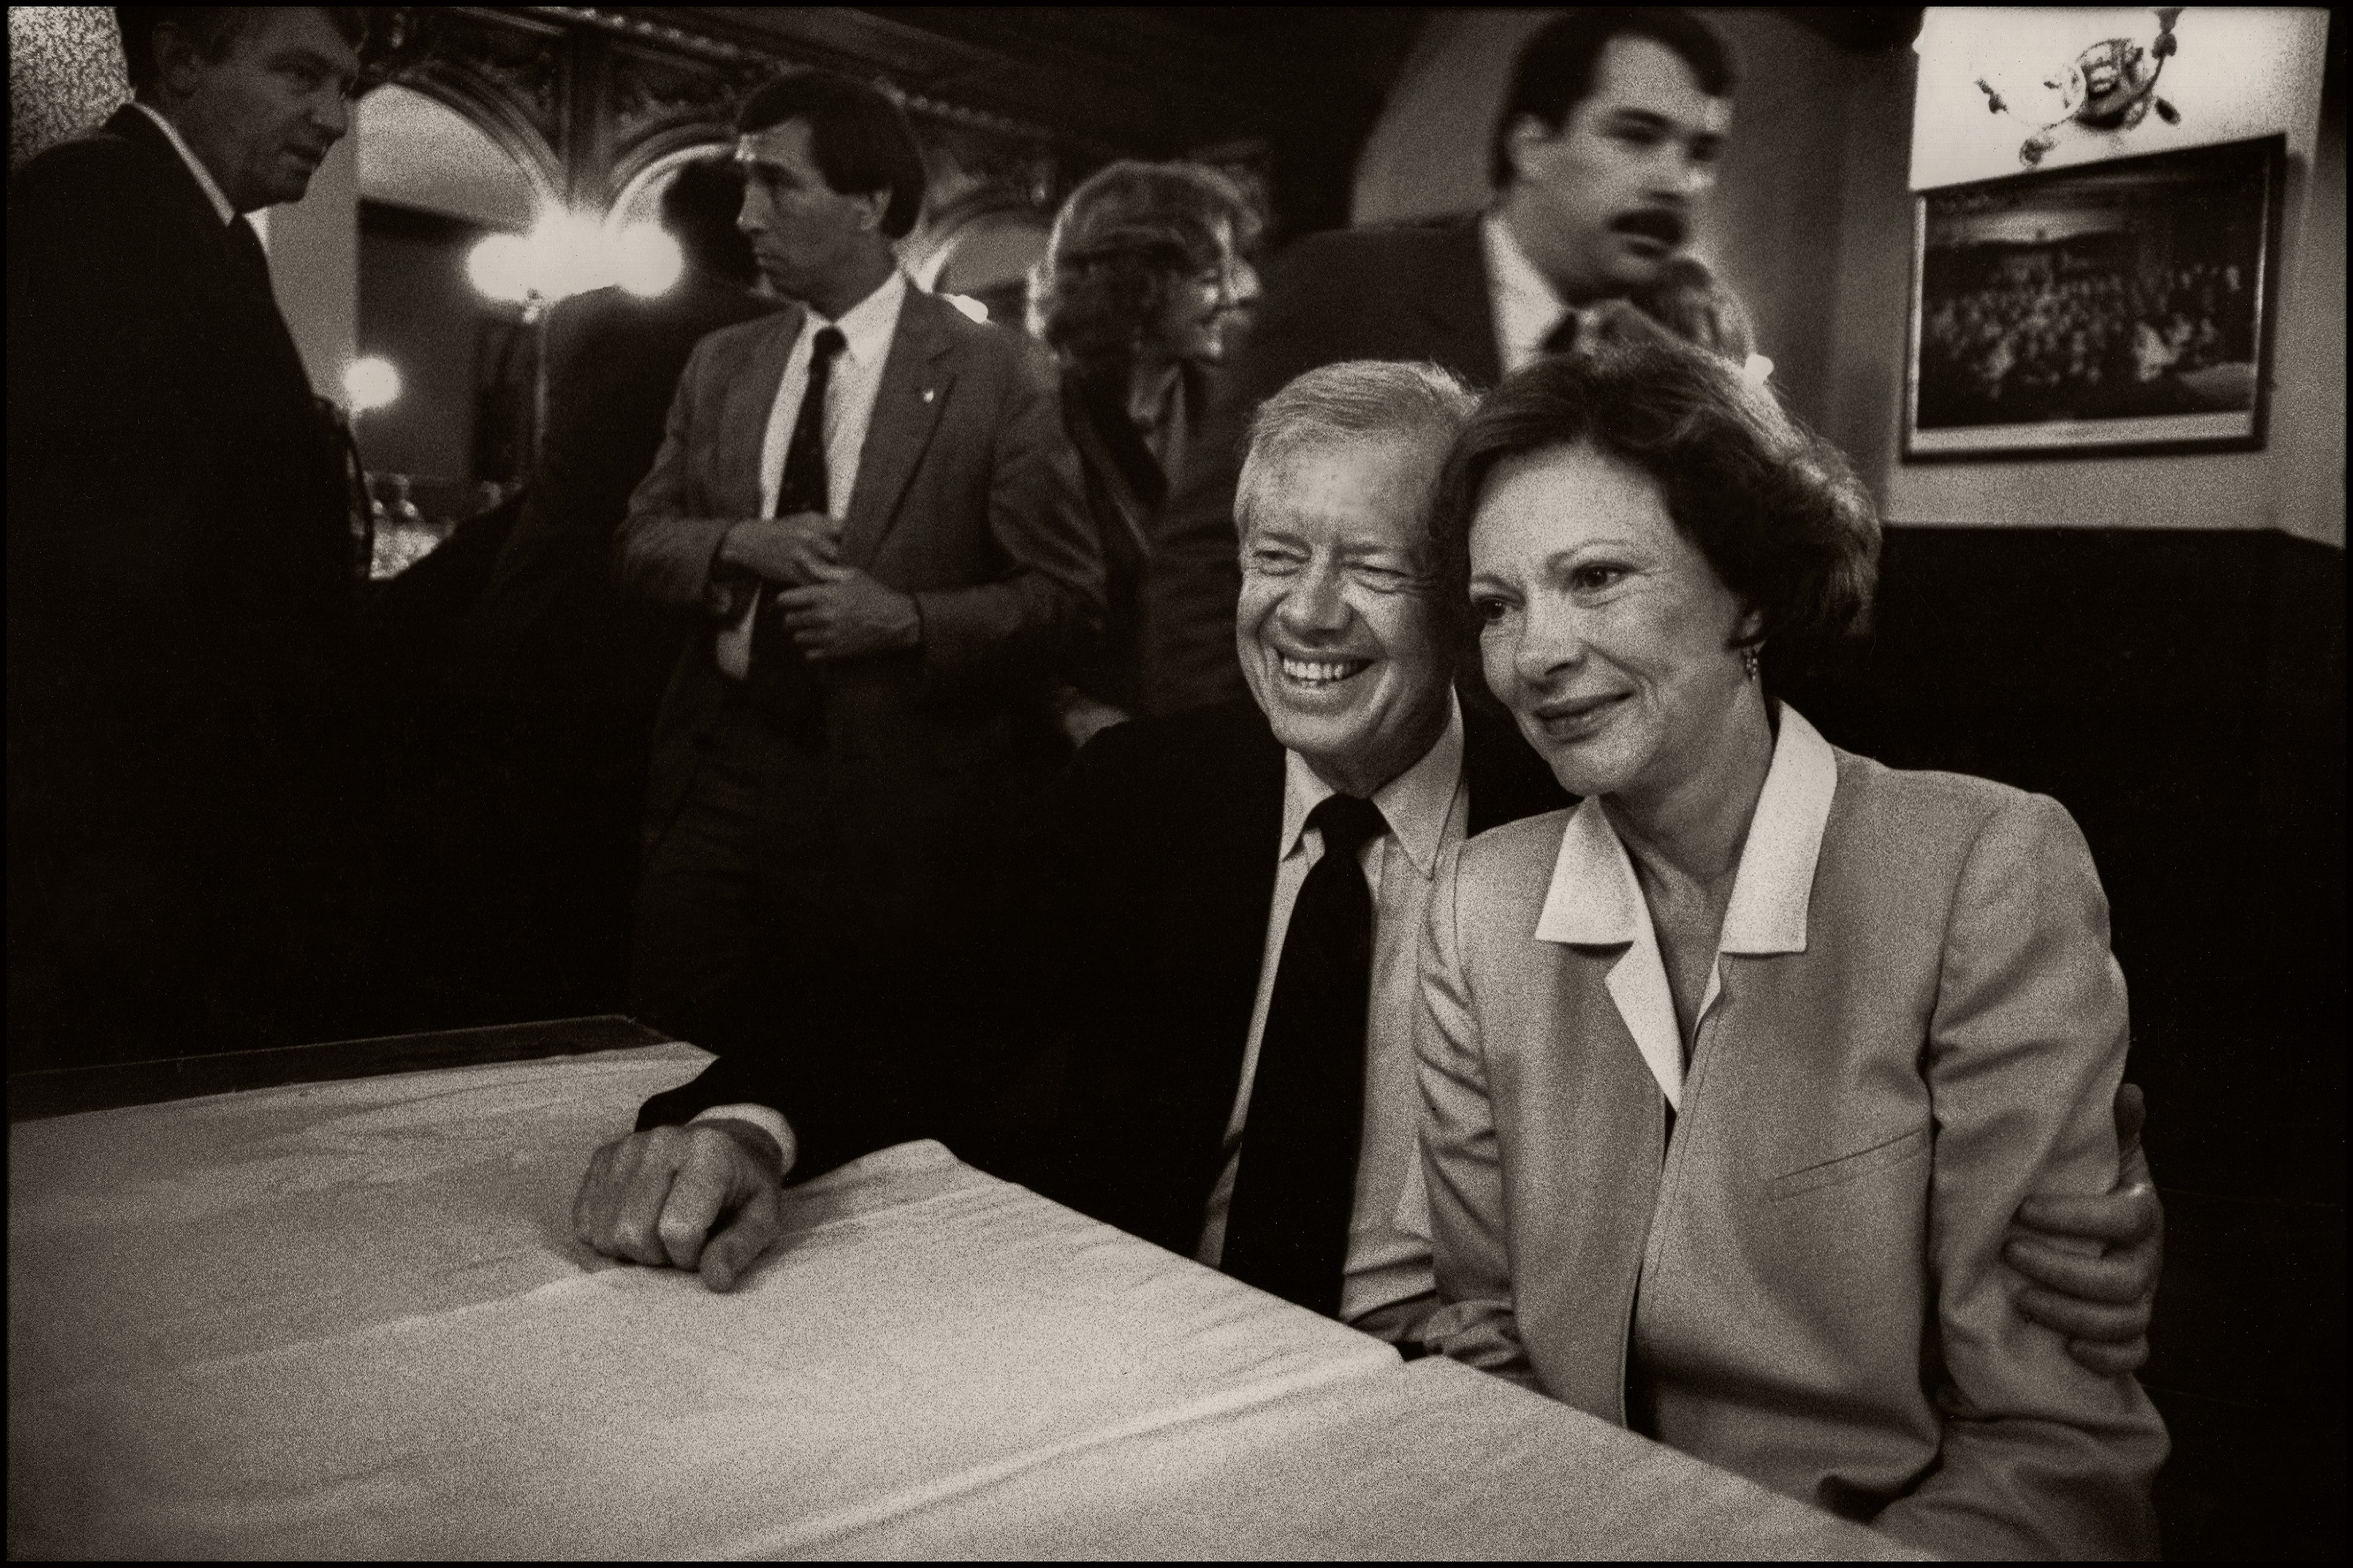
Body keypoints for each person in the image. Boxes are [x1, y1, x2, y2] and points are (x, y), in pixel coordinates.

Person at [574, 362, 2161, 1387]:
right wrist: (738, 1115)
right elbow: (894, 990)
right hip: (1132, 1367)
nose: (1308, 613)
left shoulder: (1586, 790)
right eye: (1275, 555)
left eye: (1379, 566)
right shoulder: (1139, 792)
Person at [1414, 312, 2165, 1556]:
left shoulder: (1980, 869)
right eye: (1495, 604)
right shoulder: (1478, 908)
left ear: (1747, 593)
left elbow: (2052, 1448)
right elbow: (1480, 1333)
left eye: (1595, 576)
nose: (1535, 652)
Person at [614, 70, 1102, 1162]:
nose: (745, 217)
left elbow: (1068, 604)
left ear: (870, 201)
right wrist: (737, 543)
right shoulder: (722, 363)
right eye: (743, 187)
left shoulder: (994, 372)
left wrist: (909, 622)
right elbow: (635, 543)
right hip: (717, 772)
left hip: (894, 799)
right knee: (660, 1062)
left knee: (849, 1107)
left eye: (775, 187)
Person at [1142, 6, 1736, 716]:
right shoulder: (1350, 287)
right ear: (1531, 142)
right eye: (1636, 136)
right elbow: (1211, 563)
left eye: (1699, 154)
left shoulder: (1660, 372)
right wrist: (1237, 781)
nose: (1675, 181)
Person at [7, 6, 369, 1071]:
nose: (335, 117)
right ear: (182, 60)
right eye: (301, 74)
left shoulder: (191, 224)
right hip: (114, 827)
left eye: (347, 87)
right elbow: (103, 565)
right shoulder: (95, 206)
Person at [454, 156, 781, 1015]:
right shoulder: (767, 336)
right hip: (633, 636)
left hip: (528, 604)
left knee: (506, 877)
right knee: (601, 894)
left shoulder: (577, 315)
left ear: (667, 232)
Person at [1029, 159, 1260, 744]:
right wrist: (1061, 708)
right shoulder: (1036, 414)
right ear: (1134, 284)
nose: (1236, 293)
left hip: (1212, 736)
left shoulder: (1234, 406)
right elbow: (1006, 604)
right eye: (1212, 274)